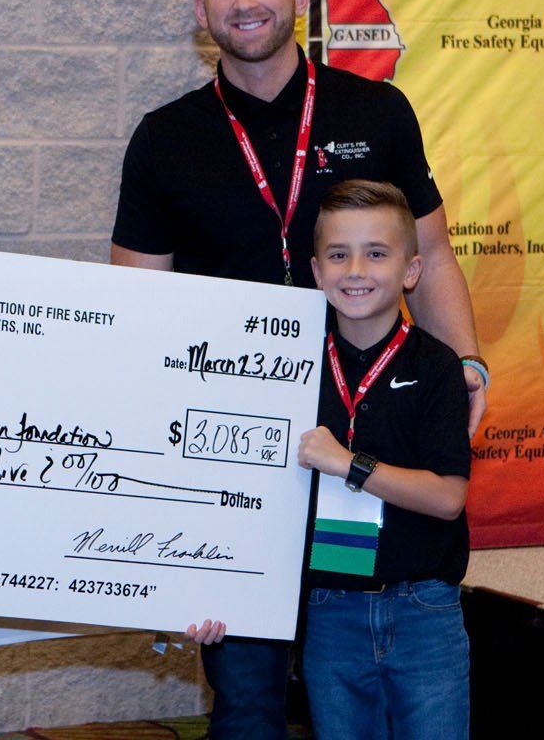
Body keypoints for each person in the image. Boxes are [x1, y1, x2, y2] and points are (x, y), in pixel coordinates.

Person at [111, 0, 485, 738]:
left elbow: (434, 253)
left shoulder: (378, 112)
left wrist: (466, 363)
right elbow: (134, 313)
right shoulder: (164, 139)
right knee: (247, 696)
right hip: (232, 457)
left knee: (358, 684)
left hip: (363, 441)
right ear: (199, 11)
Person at [188, 179, 472, 738]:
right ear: (316, 273)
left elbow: (447, 497)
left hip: (424, 612)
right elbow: (239, 492)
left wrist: (350, 465)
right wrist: (211, 587)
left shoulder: (438, 367)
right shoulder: (284, 366)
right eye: (338, 255)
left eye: (376, 253)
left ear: (411, 271)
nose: (356, 270)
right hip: (330, 611)